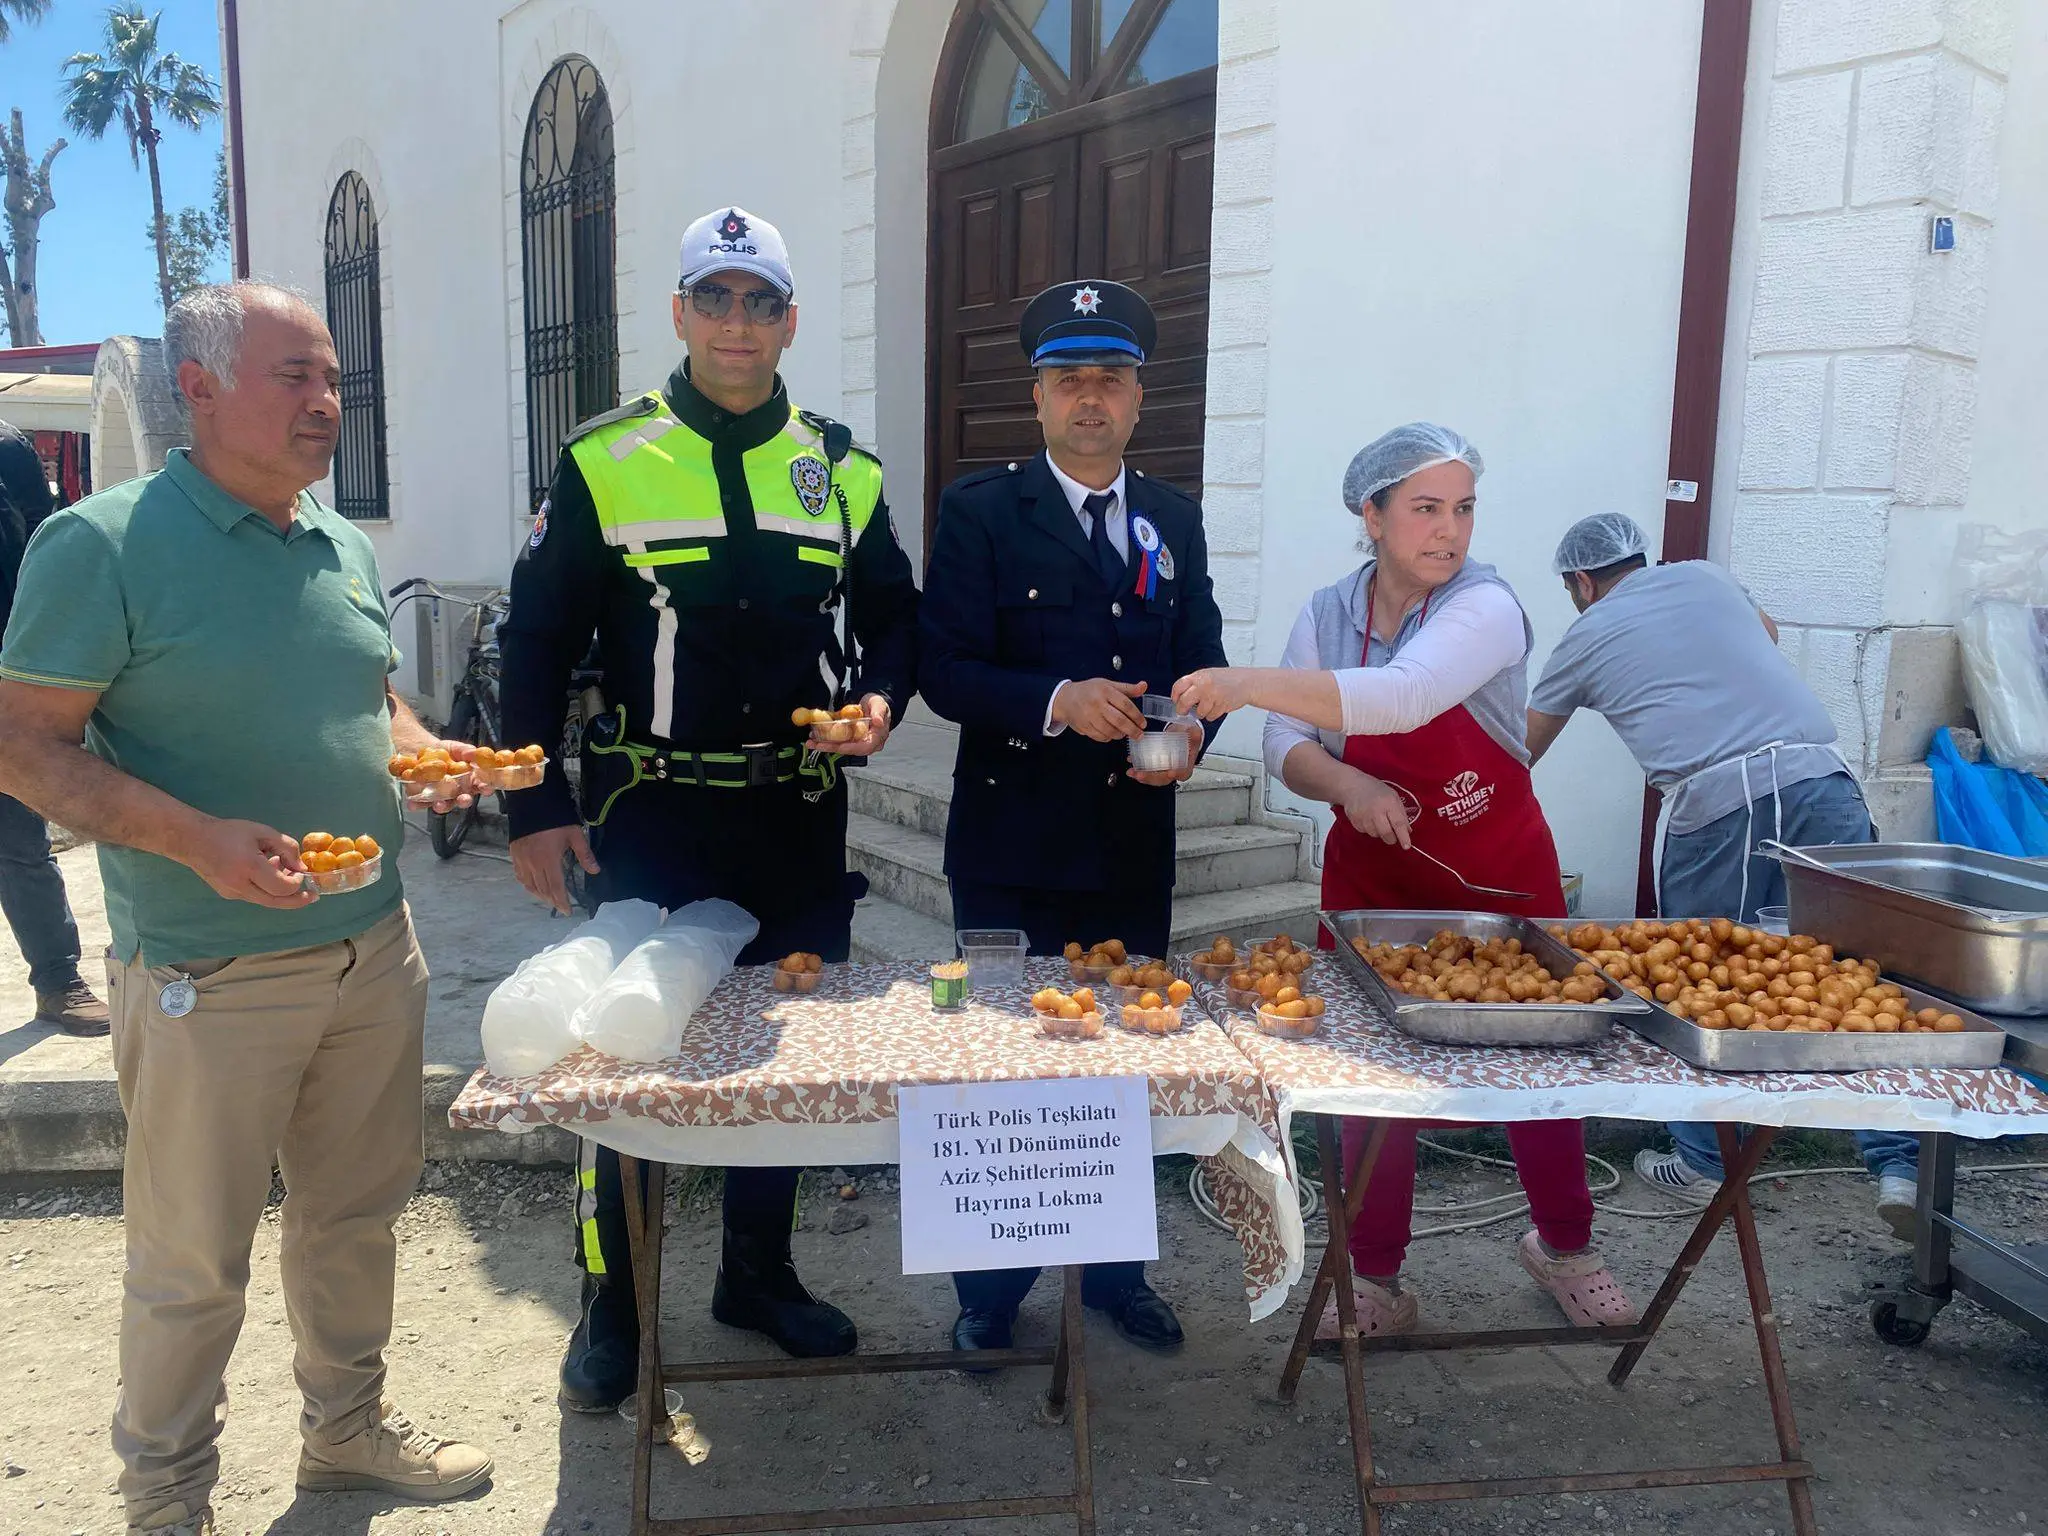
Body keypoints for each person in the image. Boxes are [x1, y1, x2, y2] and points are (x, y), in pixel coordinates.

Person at [0, 283, 491, 1536]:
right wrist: (196, 841)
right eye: (294, 376)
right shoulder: (102, 544)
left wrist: (424, 755)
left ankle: (346, 1435)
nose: (327, 400)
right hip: (207, 974)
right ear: (201, 389)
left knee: (355, 1219)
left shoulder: (339, 540)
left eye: (330, 377)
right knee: (190, 1259)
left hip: (372, 951)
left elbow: (371, 701)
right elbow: (24, 748)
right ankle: (168, 1500)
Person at [499, 206, 921, 1412]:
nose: (738, 322)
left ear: (789, 322)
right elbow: (535, 643)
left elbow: (897, 619)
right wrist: (533, 804)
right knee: (622, 1058)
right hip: (651, 816)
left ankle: (756, 1274)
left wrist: (879, 704)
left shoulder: (842, 469)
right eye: (716, 298)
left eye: (760, 301)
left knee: (779, 1056)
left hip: (795, 818)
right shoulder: (605, 458)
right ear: (680, 314)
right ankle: (611, 1300)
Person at [1173, 423, 1635, 1338]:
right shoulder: (1327, 614)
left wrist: (1244, 681)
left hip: (1497, 874)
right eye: (1425, 508)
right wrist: (1347, 785)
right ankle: (1376, 1273)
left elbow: (1406, 695)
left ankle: (1566, 1245)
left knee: (1543, 1060)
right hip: (1373, 884)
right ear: (1372, 515)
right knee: (1367, 1081)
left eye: (1463, 508)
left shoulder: (1487, 605)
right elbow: (1285, 744)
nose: (1449, 530)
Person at [920, 278, 1225, 1362]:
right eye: (1068, 380)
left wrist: (1193, 731)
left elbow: (1200, 661)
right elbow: (943, 669)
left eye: (1110, 378)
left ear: (1138, 398)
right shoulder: (980, 510)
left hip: (1129, 844)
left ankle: (1114, 1274)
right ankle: (991, 1289)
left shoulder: (1171, 516)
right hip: (1010, 844)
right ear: (1038, 397)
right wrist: (1055, 700)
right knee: (1004, 1062)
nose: (1090, 398)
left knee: (1124, 1057)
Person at [1526, 512, 1917, 1235]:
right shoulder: (1705, 576)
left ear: (1582, 581)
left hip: (1716, 805)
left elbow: (1523, 749)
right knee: (1856, 971)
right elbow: (1765, 634)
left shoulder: (1584, 635)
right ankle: (1901, 1166)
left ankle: (1705, 1161)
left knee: (1696, 977)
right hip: (1820, 777)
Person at [0, 420, 108, 1034]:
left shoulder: (6, 449)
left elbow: (40, 558)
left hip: (6, 676)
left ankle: (57, 978)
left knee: (18, 842)